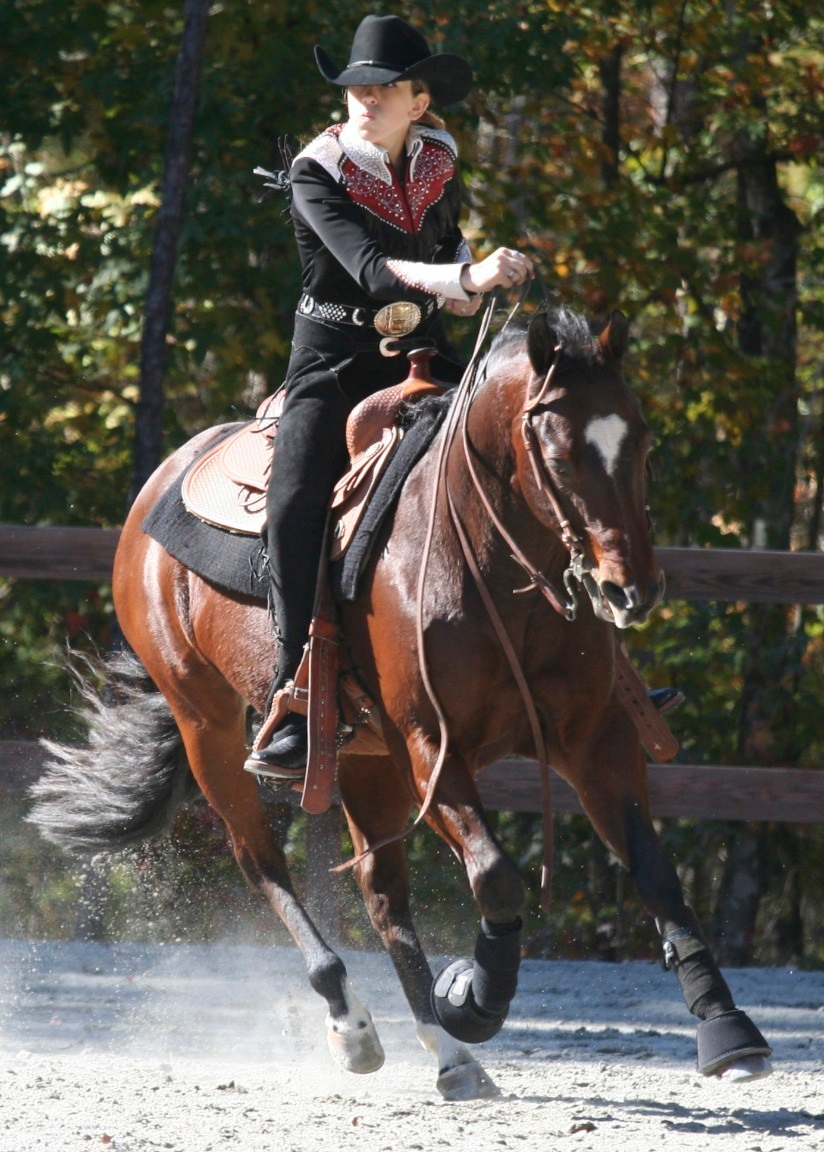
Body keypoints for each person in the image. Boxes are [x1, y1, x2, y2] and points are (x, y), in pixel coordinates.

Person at [243, 14, 535, 781]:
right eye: (355, 89)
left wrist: (473, 275)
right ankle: (291, 693)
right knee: (294, 501)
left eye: (381, 89)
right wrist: (466, 283)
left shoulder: (438, 153)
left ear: (418, 98)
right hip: (333, 366)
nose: (363, 100)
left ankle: (588, 672)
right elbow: (372, 272)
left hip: (422, 356)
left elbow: (445, 238)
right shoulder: (317, 168)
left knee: (535, 460)